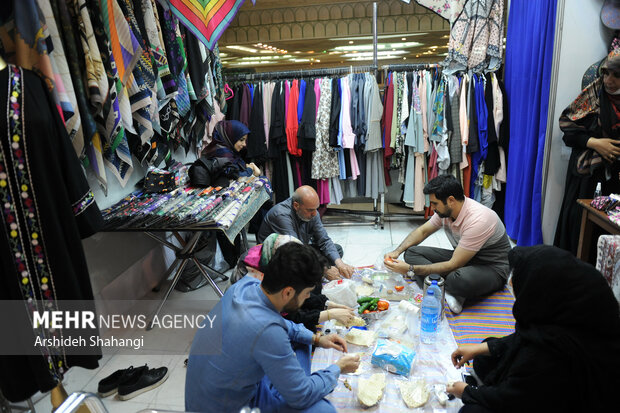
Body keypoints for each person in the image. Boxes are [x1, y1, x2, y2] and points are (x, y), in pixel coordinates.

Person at [185, 243, 361, 413]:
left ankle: (292, 385)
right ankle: (294, 387)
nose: (307, 297)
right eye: (307, 293)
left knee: (303, 340)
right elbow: (301, 396)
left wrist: (317, 339)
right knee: (323, 409)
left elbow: (283, 324)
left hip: (217, 389)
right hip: (227, 407)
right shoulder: (268, 331)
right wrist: (337, 368)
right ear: (288, 293)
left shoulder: (246, 285)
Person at [446, 245, 620, 413]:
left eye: (518, 284)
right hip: (546, 382)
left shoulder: (549, 355)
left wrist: (467, 392)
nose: (513, 287)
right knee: (486, 353)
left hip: (570, 400)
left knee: (473, 410)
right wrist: (479, 349)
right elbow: (525, 337)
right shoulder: (573, 306)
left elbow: (511, 400)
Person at [384, 175, 511, 314]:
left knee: (457, 279)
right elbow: (422, 231)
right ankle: (443, 286)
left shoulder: (478, 219)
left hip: (492, 267)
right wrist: (397, 251)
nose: (431, 207)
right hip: (464, 258)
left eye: (434, 203)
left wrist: (411, 269)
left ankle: (445, 286)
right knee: (411, 252)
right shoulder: (446, 211)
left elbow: (453, 264)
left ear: (451, 200)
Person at [554, 47, 620, 256]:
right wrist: (596, 143)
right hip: (586, 177)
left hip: (615, 179)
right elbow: (568, 131)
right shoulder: (593, 96)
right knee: (578, 227)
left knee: (606, 233)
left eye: (617, 75)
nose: (609, 80)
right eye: (606, 73)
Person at [231, 233, 358, 332]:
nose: (308, 295)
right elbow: (285, 322)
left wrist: (328, 304)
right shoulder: (255, 284)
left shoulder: (271, 254)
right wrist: (328, 315)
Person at [257, 185, 355, 280]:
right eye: (310, 210)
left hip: (300, 248)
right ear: (296, 205)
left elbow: (324, 240)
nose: (315, 214)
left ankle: (313, 270)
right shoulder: (281, 215)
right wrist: (323, 270)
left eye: (316, 209)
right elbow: (294, 251)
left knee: (336, 251)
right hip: (280, 258)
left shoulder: (312, 212)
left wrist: (340, 264)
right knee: (299, 272)